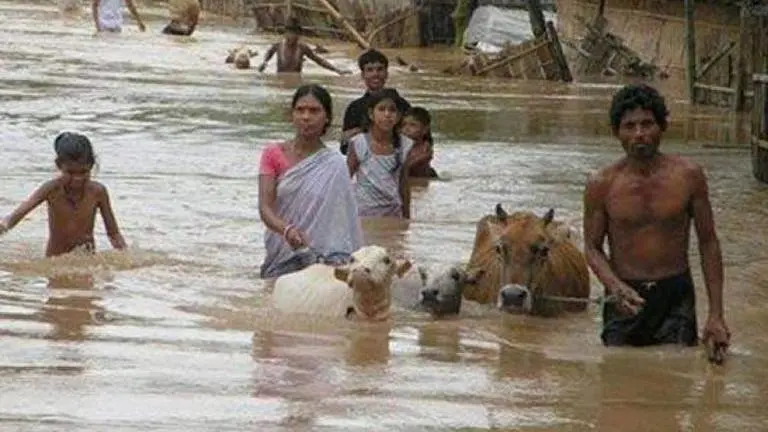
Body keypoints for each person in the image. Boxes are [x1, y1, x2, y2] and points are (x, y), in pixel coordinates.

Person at [583, 84, 730, 352]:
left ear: (662, 127)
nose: (639, 134)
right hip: (623, 297)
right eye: (629, 126)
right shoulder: (601, 184)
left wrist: (716, 315)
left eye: (647, 124)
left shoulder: (689, 176)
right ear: (617, 132)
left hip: (675, 296)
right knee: (617, 380)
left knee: (676, 377)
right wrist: (614, 286)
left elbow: (708, 243)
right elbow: (592, 247)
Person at [258, 84, 363, 282]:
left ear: (327, 118)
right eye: (300, 110)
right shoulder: (273, 154)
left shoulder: (335, 165)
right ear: (292, 115)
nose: (306, 117)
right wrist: (287, 230)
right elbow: (265, 208)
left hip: (324, 261)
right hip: (282, 254)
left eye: (314, 111)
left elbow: (343, 221)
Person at [0, 132, 127, 257]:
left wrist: (127, 258)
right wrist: (3, 227)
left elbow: (113, 233)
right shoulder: (51, 189)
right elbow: (16, 216)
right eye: (70, 172)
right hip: (55, 260)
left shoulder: (98, 192)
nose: (77, 179)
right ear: (59, 165)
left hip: (87, 261)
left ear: (92, 166)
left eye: (83, 172)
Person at [346, 89, 414, 219]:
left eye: (392, 110)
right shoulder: (359, 143)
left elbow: (404, 184)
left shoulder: (405, 145)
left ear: (399, 116)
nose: (387, 114)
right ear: (371, 114)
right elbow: (345, 179)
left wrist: (406, 218)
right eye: (381, 109)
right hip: (363, 213)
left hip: (393, 212)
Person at [340, 49, 411, 154]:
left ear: (387, 73)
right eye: (370, 70)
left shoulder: (402, 105)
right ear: (362, 75)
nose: (375, 74)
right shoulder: (355, 108)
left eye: (380, 69)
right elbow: (344, 147)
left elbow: (414, 137)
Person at [257, 18, 350, 76]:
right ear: (286, 33)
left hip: (296, 79)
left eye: (294, 34)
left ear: (299, 35)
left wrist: (337, 70)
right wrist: (264, 62)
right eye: (290, 33)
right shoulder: (278, 46)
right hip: (280, 80)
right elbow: (269, 53)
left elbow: (319, 60)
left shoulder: (302, 48)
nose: (292, 36)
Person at [401, 106, 438, 179]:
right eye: (404, 124)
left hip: (422, 178)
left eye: (413, 125)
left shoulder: (425, 149)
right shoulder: (400, 145)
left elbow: (405, 168)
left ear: (424, 129)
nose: (406, 129)